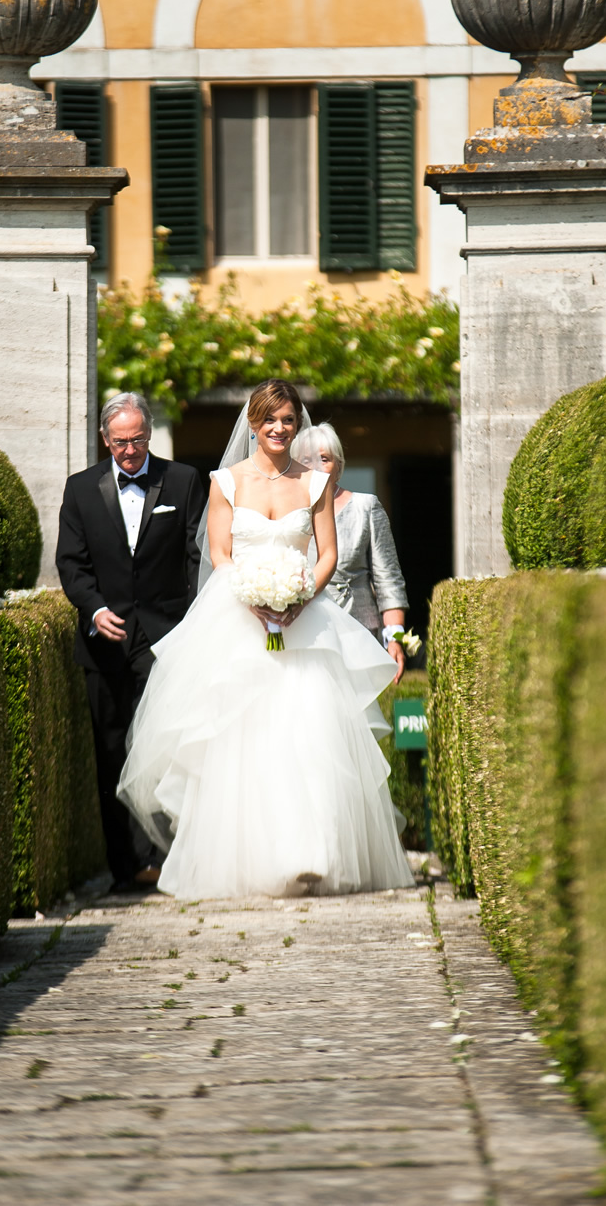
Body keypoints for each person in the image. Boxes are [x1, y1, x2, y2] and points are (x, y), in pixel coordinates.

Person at [117, 379, 414, 900]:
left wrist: (299, 597)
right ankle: (249, 859)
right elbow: (221, 553)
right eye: (270, 420)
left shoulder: (314, 484)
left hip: (306, 623)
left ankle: (313, 854)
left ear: (297, 424)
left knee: (308, 737)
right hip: (239, 620)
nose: (279, 429)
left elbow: (326, 554)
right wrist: (252, 598)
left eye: (288, 420)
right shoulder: (226, 481)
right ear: (253, 424)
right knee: (242, 740)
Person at [55, 391, 203, 890]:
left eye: (137, 440)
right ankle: (126, 866)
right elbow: (71, 564)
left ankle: (168, 858)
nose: (130, 450)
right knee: (112, 750)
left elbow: (193, 557)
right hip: (104, 641)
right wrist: (95, 609)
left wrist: (191, 622)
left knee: (166, 750)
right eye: (120, 442)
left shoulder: (182, 480)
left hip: (167, 640)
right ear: (105, 440)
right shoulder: (79, 490)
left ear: (150, 433)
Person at [291, 422, 410, 685]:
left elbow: (388, 579)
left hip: (357, 633)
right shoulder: (286, 514)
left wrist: (395, 638)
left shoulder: (366, 507)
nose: (317, 466)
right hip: (301, 632)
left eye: (325, 458)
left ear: (339, 465)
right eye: (307, 459)